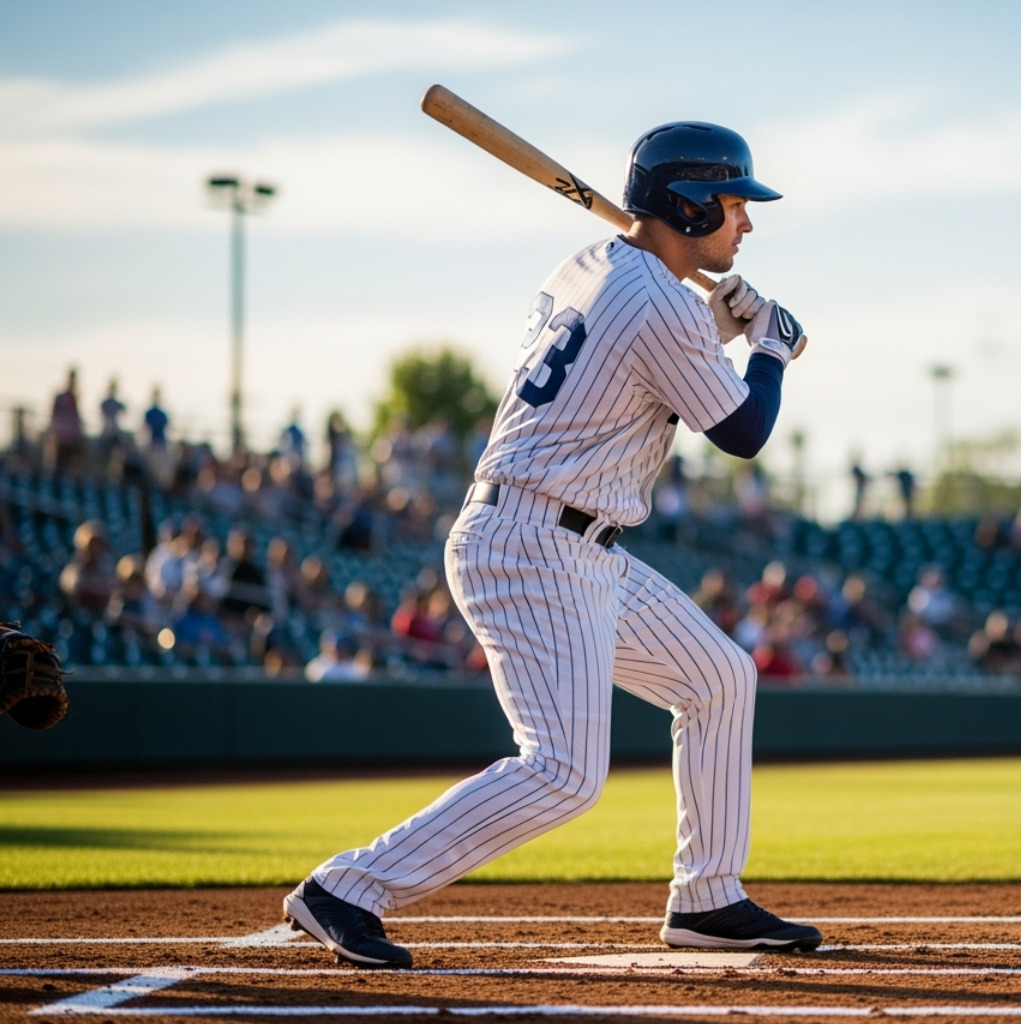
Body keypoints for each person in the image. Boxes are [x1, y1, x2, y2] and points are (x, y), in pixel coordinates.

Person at [283, 120, 819, 969]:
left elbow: (630, 361)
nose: (746, 221)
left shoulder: (592, 265)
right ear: (686, 206)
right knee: (564, 770)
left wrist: (712, 326)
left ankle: (708, 897)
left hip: (575, 540)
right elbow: (744, 430)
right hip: (533, 541)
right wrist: (771, 351)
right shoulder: (660, 303)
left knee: (720, 677)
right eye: (731, 204)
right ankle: (346, 887)